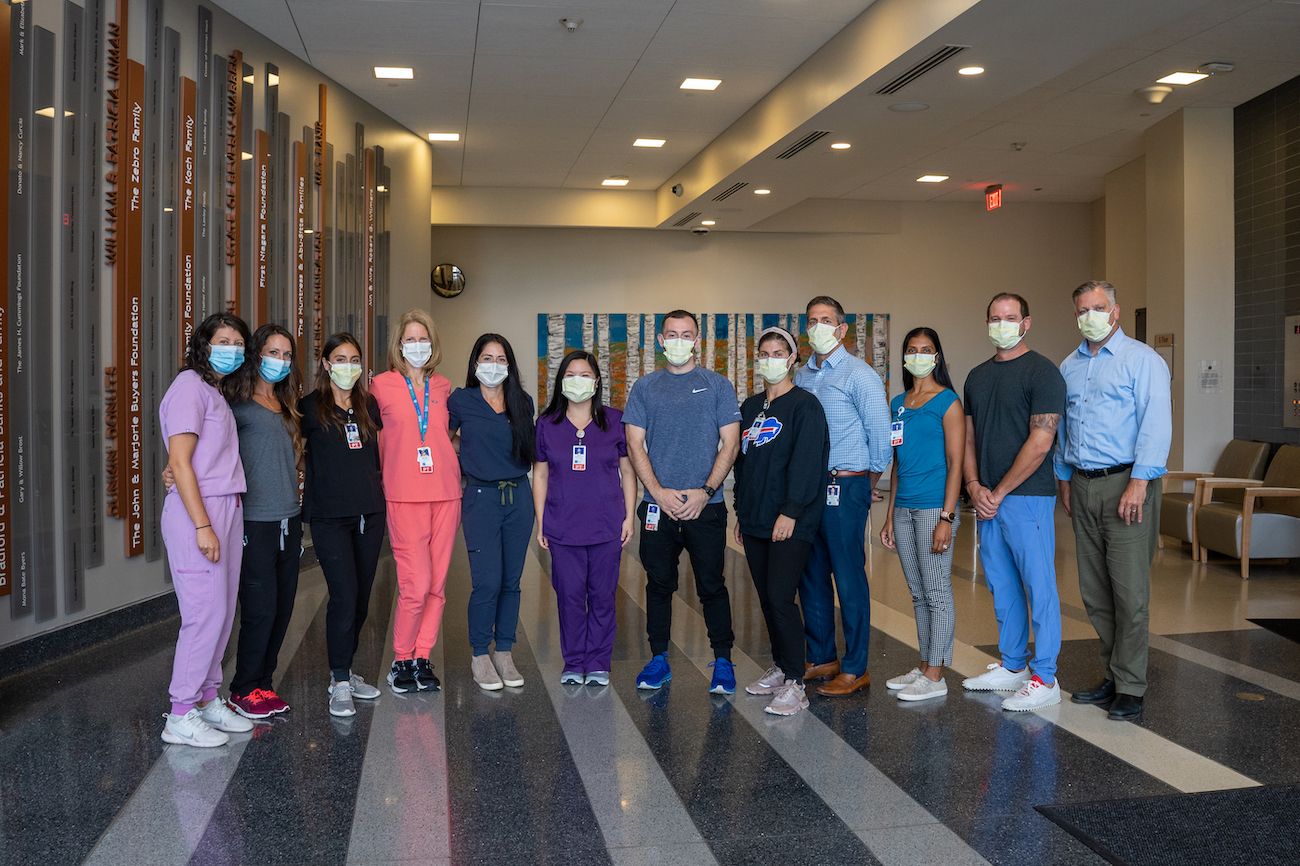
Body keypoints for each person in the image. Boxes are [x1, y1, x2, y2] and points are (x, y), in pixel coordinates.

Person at [1056, 280, 1171, 722]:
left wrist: (1140, 482)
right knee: (1095, 592)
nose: (1090, 316)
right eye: (1082, 309)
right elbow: (1065, 429)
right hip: (1083, 484)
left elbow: (1156, 423)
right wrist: (1064, 478)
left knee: (1129, 592)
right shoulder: (1068, 366)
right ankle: (1112, 674)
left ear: (1116, 312)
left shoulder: (1142, 361)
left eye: (1098, 307)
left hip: (1127, 483)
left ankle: (1132, 685)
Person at [624, 310, 741, 695]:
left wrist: (705, 492)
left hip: (705, 507)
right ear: (660, 340)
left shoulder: (717, 386)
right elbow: (635, 444)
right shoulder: (644, 388)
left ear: (696, 340)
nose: (678, 340)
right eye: (671, 334)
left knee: (712, 585)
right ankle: (658, 659)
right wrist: (656, 492)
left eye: (686, 334)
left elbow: (731, 443)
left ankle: (723, 661)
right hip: (659, 506)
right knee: (658, 585)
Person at [962, 293, 1067, 712]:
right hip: (987, 498)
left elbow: (1041, 442)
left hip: (1026, 498)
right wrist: (973, 485)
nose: (1001, 324)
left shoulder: (1044, 373)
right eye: (994, 318)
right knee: (1001, 585)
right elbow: (969, 437)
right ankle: (1013, 666)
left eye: (1009, 317)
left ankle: (1045, 677)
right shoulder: (976, 376)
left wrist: (999, 491)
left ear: (1026, 322)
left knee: (1038, 587)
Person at [158, 312, 255, 747]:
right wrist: (203, 525)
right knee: (204, 613)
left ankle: (207, 697)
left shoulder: (214, 391)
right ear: (203, 344)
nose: (231, 348)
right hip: (200, 513)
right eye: (223, 340)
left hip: (225, 507)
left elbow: (191, 459)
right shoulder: (187, 388)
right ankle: (180, 712)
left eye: (238, 343)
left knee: (223, 610)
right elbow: (179, 463)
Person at [795, 296, 891, 697]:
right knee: (811, 574)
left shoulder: (859, 375)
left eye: (826, 320)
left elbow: (881, 439)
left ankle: (855, 667)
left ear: (841, 329)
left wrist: (864, 486)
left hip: (845, 484)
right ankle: (821, 657)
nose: (818, 326)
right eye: (812, 320)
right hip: (808, 490)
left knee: (848, 578)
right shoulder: (800, 376)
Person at [735, 327, 830, 717]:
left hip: (791, 519)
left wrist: (790, 511)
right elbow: (743, 464)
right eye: (764, 353)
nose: (771, 359)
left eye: (779, 353)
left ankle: (795, 681)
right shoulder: (750, 406)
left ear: (792, 359)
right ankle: (780, 666)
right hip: (755, 518)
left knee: (780, 596)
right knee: (766, 598)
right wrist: (742, 513)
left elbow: (809, 464)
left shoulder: (805, 406)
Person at [371, 309, 461, 694]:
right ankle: (401, 659)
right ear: (399, 345)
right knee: (416, 583)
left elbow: (449, 436)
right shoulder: (380, 386)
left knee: (437, 584)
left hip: (446, 493)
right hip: (404, 495)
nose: (417, 346)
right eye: (410, 339)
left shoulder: (444, 387)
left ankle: (422, 657)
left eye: (423, 338)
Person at [533, 350, 636, 686]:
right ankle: (574, 661)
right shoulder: (548, 425)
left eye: (585, 374)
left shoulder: (614, 420)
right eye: (571, 374)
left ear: (597, 381)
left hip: (606, 524)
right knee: (570, 597)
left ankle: (598, 662)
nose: (578, 381)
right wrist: (540, 521)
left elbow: (627, 471)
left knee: (603, 596)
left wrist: (629, 518)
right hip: (563, 526)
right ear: (562, 381)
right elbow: (542, 474)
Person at [300, 333, 387, 717]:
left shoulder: (368, 405)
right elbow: (295, 453)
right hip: (329, 517)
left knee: (363, 599)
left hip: (369, 513)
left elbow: (377, 454)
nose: (348, 366)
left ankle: (347, 672)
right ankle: (337, 680)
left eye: (354, 359)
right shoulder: (308, 407)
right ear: (325, 363)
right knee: (344, 595)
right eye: (340, 358)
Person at [222, 324, 305, 719]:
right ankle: (242, 688)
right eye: (274, 352)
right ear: (256, 355)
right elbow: (203, 448)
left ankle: (263, 684)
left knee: (284, 606)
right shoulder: (235, 404)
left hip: (289, 519)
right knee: (260, 609)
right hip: (254, 522)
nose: (281, 361)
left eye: (287, 355)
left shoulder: (288, 404)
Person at [879, 328, 965, 703]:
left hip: (934, 508)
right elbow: (897, 462)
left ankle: (936, 673)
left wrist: (947, 517)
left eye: (925, 349)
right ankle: (926, 662)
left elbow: (956, 461)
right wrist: (888, 514)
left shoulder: (948, 402)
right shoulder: (899, 402)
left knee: (937, 592)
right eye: (911, 350)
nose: (918, 355)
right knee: (917, 593)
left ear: (937, 356)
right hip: (904, 507)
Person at [449, 334, 536, 691]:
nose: (494, 365)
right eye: (487, 358)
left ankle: (504, 651)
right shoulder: (461, 399)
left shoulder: (522, 401)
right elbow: (442, 437)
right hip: (481, 498)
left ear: (510, 366)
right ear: (475, 364)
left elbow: (528, 447)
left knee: (511, 581)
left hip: (518, 496)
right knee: (486, 581)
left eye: (502, 360)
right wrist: (466, 453)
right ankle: (480, 654)